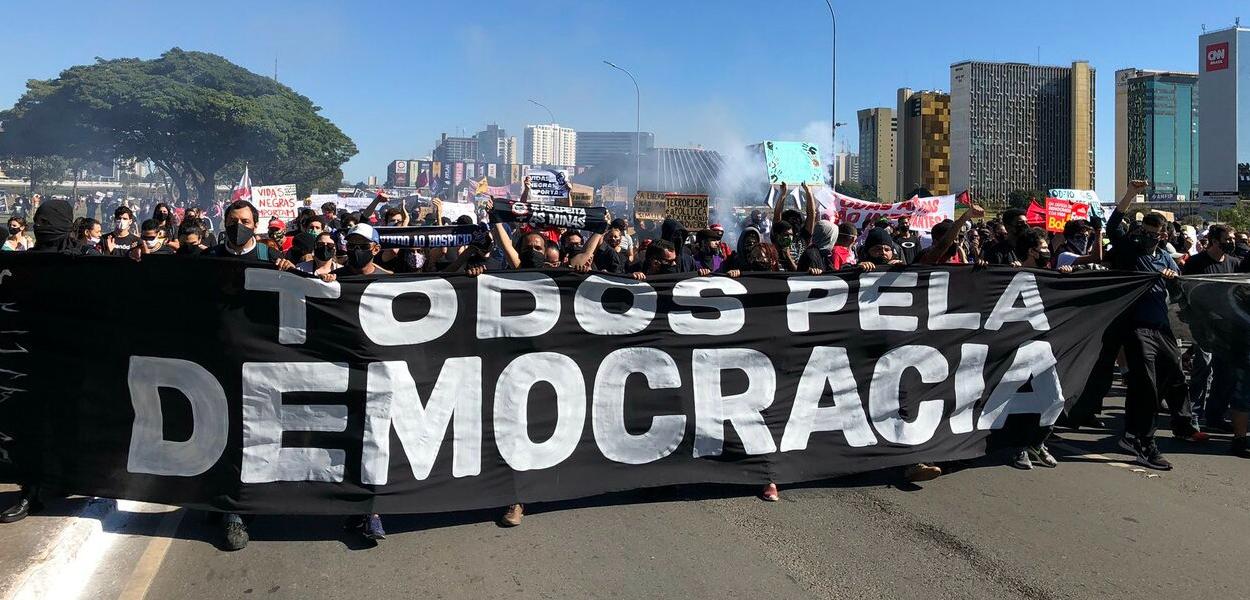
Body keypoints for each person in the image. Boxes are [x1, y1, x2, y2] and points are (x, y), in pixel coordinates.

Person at [1106, 180, 1205, 471]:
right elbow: (1113, 226)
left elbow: (1177, 294)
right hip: (1135, 326)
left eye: (1155, 233)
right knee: (1145, 383)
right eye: (1145, 232)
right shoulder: (1130, 251)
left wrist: (1172, 281)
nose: (1149, 237)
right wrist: (1130, 194)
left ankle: (1181, 424)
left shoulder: (1164, 257)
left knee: (1174, 375)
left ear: (1163, 235)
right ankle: (1144, 442)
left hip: (1161, 326)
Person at [1180, 225, 1240, 439]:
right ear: (1214, 240)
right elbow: (1185, 292)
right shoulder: (1196, 264)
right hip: (1203, 327)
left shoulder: (1235, 264)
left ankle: (1214, 417)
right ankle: (1193, 418)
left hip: (1227, 328)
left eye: (1232, 238)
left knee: (1226, 374)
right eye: (1228, 238)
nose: (1231, 242)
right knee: (1203, 370)